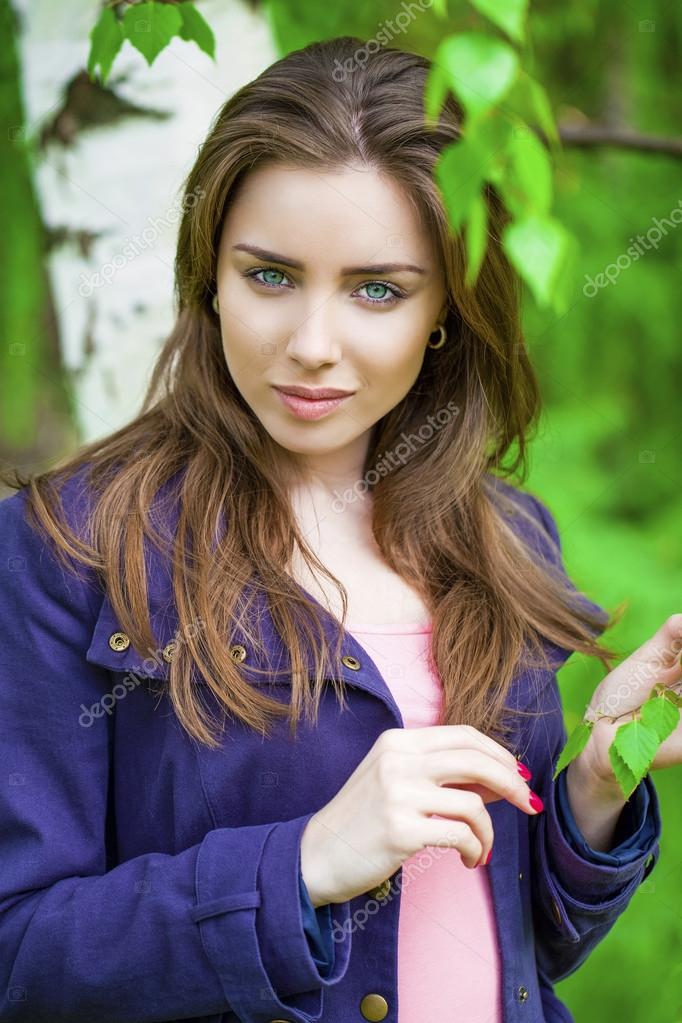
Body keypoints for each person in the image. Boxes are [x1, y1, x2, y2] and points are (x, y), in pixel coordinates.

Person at [0, 34, 677, 1023]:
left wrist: (598, 778)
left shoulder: (504, 540)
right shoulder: (72, 549)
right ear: (209, 275)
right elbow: (19, 955)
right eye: (269, 276)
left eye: (376, 290)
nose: (311, 346)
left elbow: (522, 942)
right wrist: (305, 863)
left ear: (445, 307)